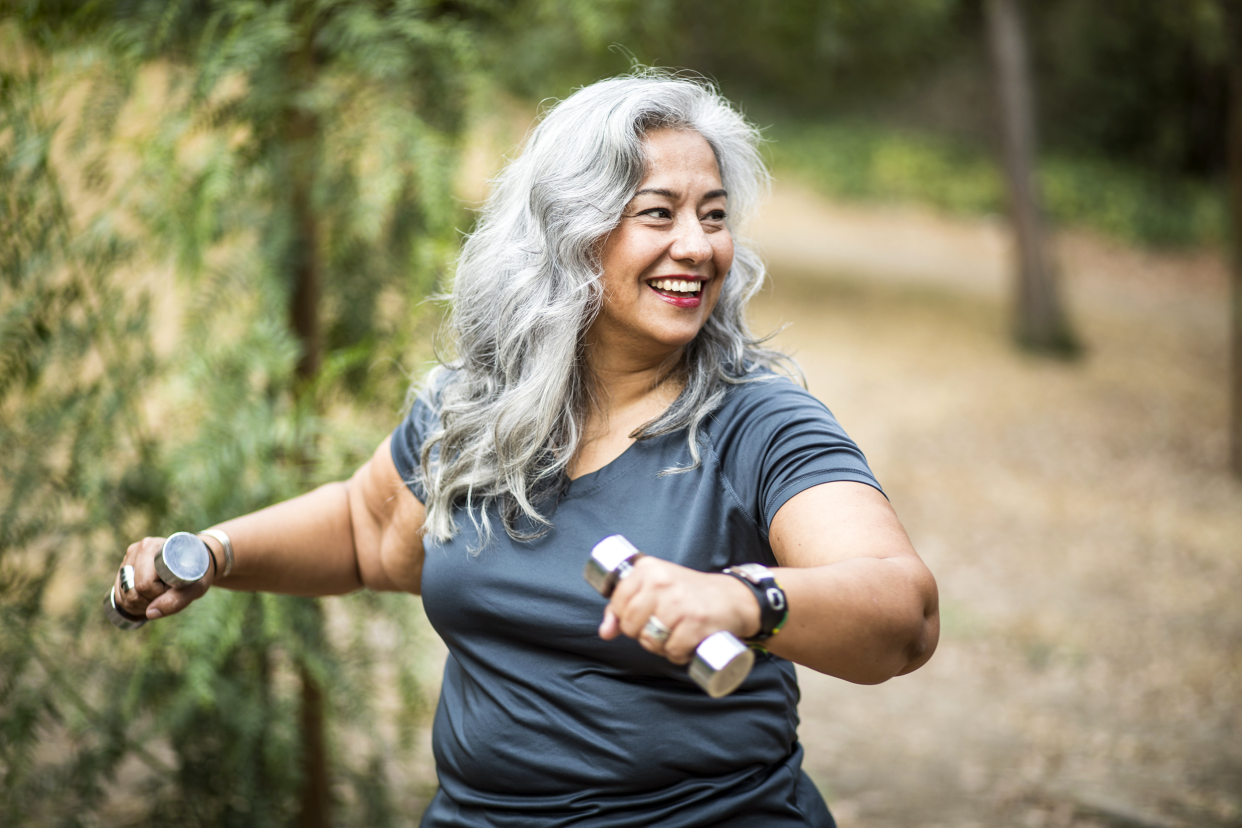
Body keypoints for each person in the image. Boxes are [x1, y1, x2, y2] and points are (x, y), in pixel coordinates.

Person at [111, 71, 939, 827]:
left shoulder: (761, 425)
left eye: (714, 215)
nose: (699, 245)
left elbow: (904, 615)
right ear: (571, 233)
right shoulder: (473, 407)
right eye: (660, 212)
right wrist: (212, 554)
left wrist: (745, 601)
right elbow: (369, 533)